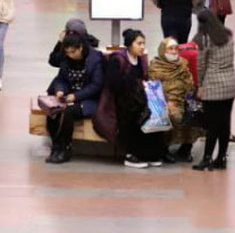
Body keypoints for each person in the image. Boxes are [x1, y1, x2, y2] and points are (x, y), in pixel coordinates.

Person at [106, 29, 167, 168]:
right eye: (139, 43)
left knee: (156, 110)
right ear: (129, 44)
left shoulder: (140, 60)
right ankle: (132, 154)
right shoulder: (117, 59)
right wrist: (135, 85)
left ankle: (151, 153)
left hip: (138, 97)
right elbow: (113, 85)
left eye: (143, 43)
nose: (142, 47)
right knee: (137, 114)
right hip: (122, 101)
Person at [45, 30, 105, 163]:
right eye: (68, 52)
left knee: (68, 112)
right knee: (52, 111)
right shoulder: (66, 59)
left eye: (73, 52)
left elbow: (96, 85)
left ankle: (66, 147)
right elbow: (61, 78)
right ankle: (56, 146)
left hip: (89, 99)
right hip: (68, 96)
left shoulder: (95, 59)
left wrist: (76, 96)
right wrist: (60, 90)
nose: (71, 55)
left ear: (81, 47)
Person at [193, 6, 235, 171]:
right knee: (225, 123)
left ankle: (206, 158)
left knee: (212, 125)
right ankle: (221, 158)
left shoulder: (205, 39)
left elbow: (201, 65)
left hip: (213, 86)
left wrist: (199, 85)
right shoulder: (228, 35)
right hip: (230, 85)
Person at [148, 37, 197, 162]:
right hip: (164, 102)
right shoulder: (155, 67)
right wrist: (166, 102)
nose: (174, 51)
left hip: (182, 100)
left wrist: (187, 98)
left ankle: (186, 148)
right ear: (163, 50)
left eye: (176, 48)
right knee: (169, 115)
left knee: (193, 113)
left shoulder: (182, 64)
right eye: (170, 48)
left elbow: (190, 85)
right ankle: (163, 150)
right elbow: (153, 89)